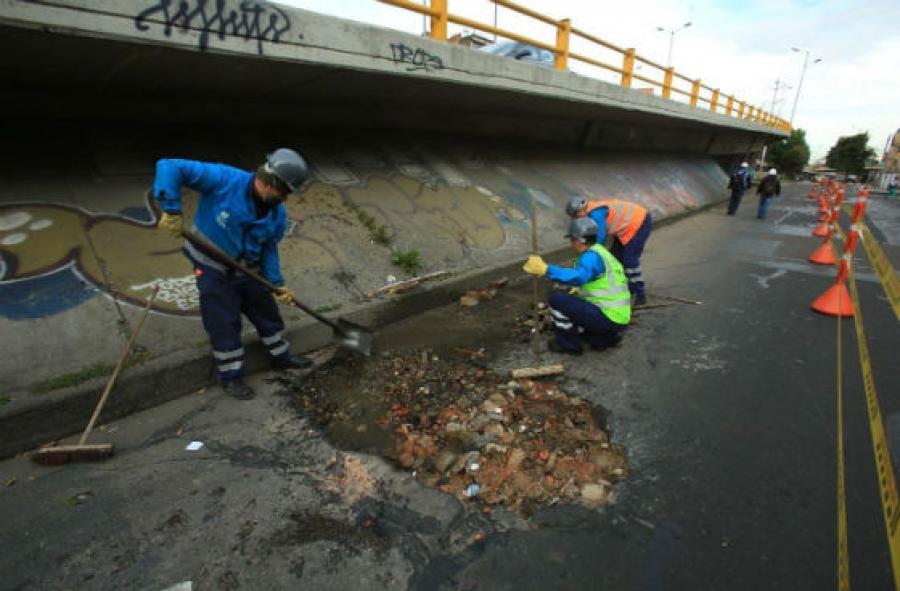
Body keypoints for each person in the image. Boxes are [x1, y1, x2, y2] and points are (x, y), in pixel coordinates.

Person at [152, 148, 313, 400]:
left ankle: (282, 357)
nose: (285, 198)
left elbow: (268, 248)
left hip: (248, 269)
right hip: (212, 268)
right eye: (283, 192)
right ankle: (230, 376)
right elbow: (169, 165)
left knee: (266, 311)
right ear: (269, 182)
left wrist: (277, 284)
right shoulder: (224, 180)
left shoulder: (276, 215)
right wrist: (171, 209)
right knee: (224, 322)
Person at [522, 217, 630, 355]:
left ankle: (569, 345)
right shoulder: (601, 252)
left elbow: (580, 277)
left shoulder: (591, 257)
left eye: (572, 239)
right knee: (588, 332)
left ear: (580, 240)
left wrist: (547, 270)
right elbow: (596, 281)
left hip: (608, 317)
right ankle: (604, 338)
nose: (571, 243)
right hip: (620, 317)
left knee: (557, 299)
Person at [565, 195, 652, 306]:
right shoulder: (591, 209)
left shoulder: (595, 214)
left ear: (581, 210)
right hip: (627, 227)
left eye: (576, 215)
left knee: (630, 261)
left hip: (639, 223)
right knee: (615, 257)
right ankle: (625, 287)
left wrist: (592, 254)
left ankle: (640, 294)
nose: (576, 219)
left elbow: (600, 237)